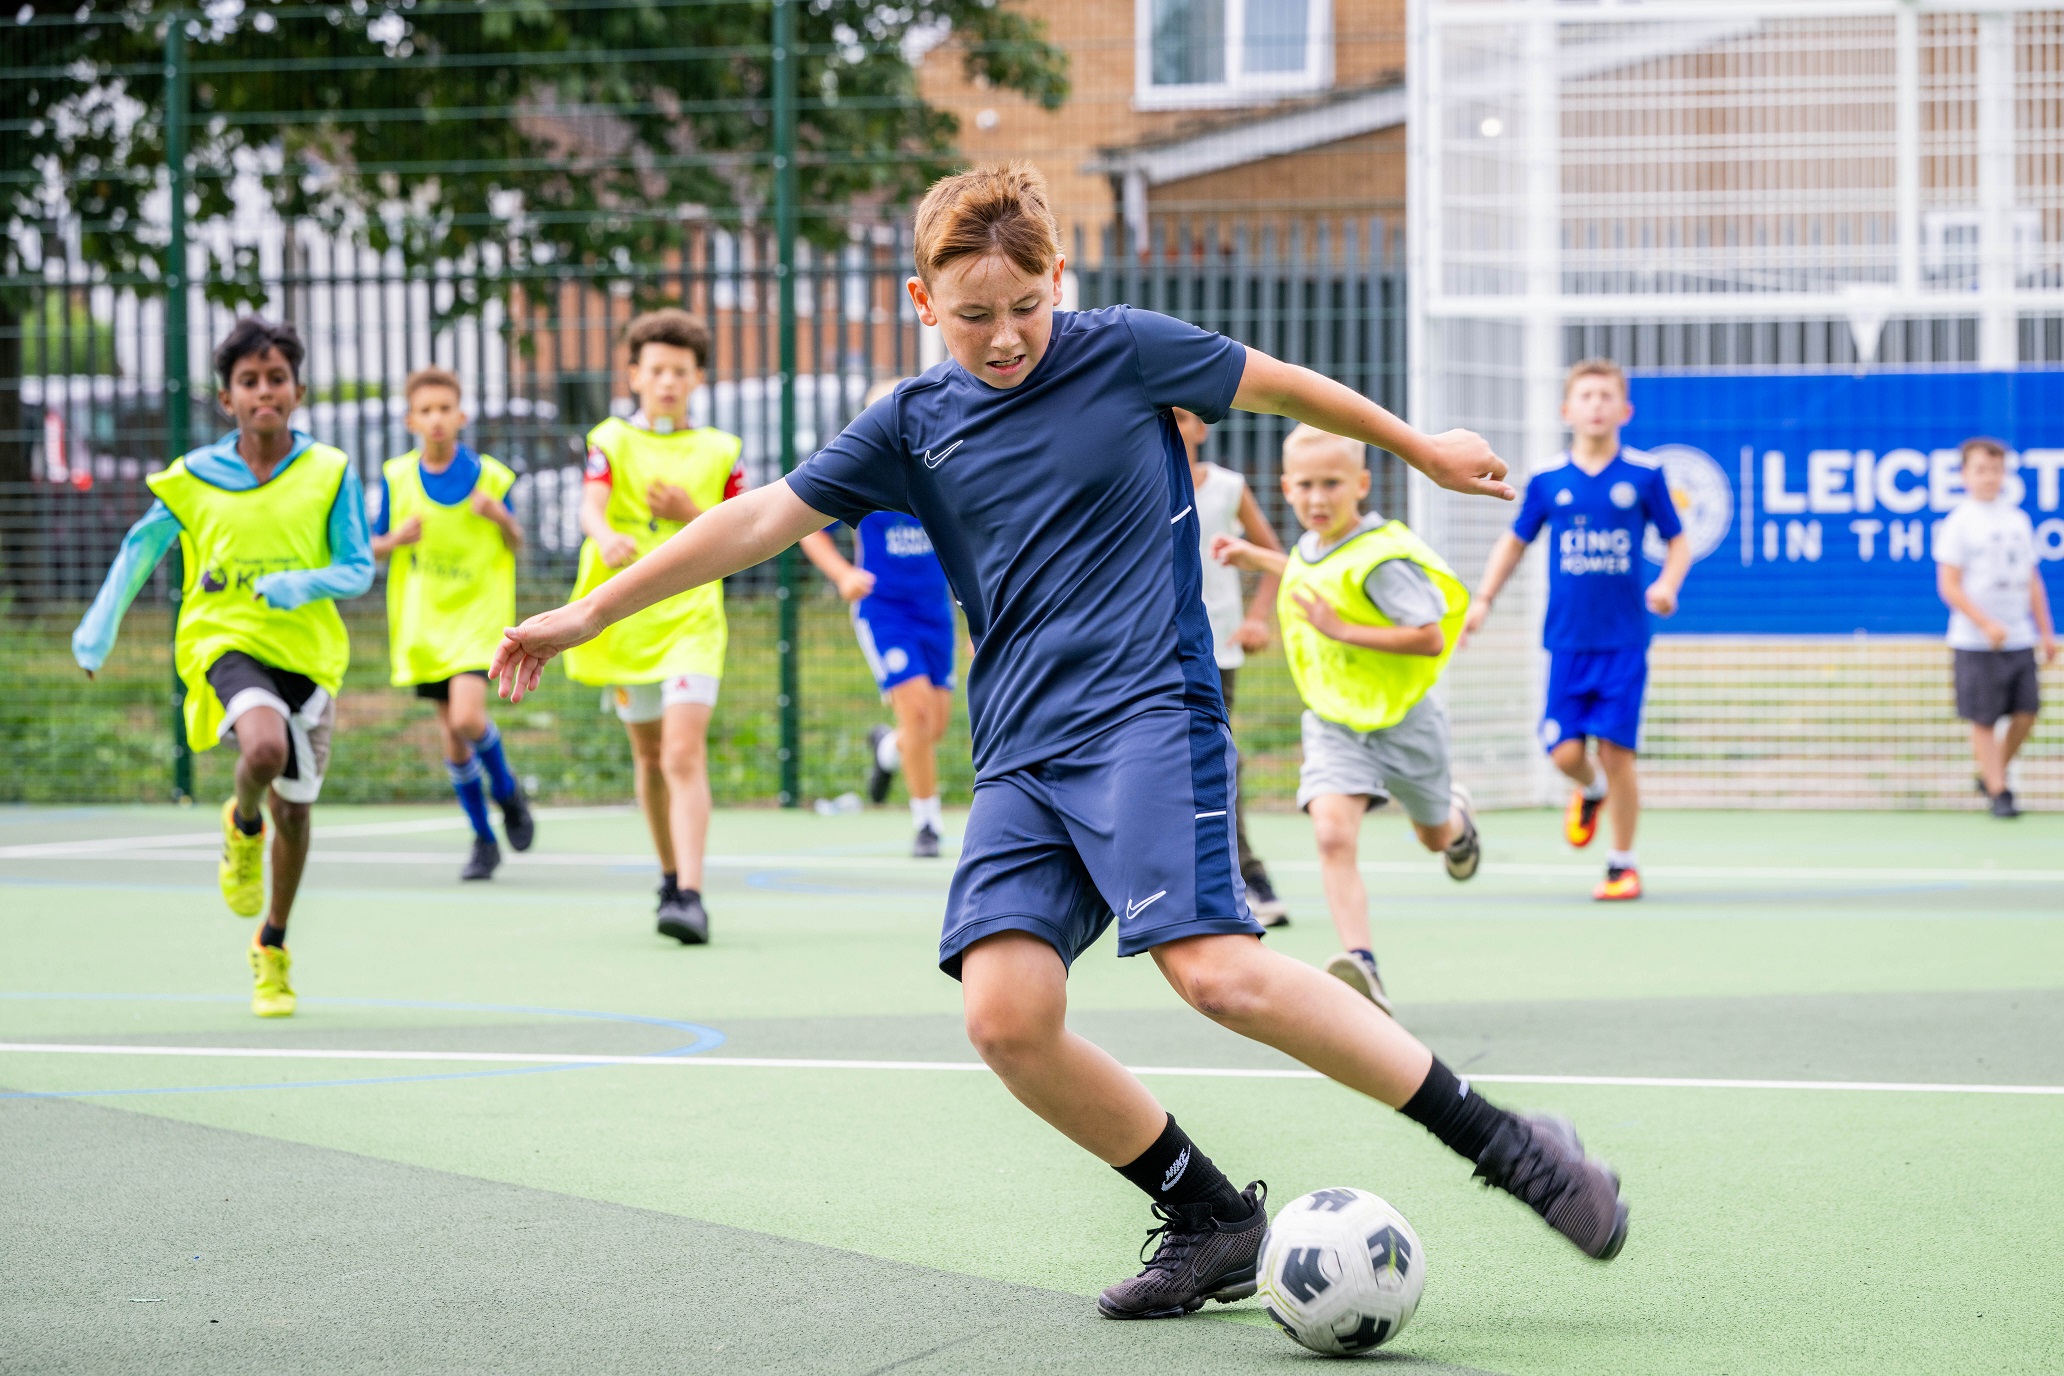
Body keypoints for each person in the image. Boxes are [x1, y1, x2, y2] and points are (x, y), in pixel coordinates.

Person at [493, 163, 1628, 1321]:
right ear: (920, 302)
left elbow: (1285, 388)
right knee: (1006, 1015)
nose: (1004, 337)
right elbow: (758, 516)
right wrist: (589, 610)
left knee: (1218, 972)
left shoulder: (1127, 348)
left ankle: (1510, 1142)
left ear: (1058, 281)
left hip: (1149, 711)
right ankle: (1211, 1215)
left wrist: (1421, 447)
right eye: (973, 315)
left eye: (1025, 307)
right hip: (1024, 751)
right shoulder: (910, 423)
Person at [72, 318, 373, 1018]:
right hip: (224, 641)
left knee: (296, 814)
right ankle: (242, 823)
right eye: (248, 381)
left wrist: (299, 586)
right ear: (226, 395)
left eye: (275, 379)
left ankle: (272, 945)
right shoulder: (196, 477)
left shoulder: (329, 472)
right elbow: (141, 547)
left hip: (309, 657)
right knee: (262, 749)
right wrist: (96, 634)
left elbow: (357, 567)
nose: (263, 391)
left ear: (297, 392)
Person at [1213, 425, 1480, 1013]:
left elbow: (1430, 638)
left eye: (1332, 484)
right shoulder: (1310, 547)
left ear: (1361, 484)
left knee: (1434, 835)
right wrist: (1258, 556)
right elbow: (1313, 572)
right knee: (1332, 833)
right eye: (1305, 485)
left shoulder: (1382, 558)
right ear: (1286, 487)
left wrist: (1342, 631)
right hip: (1334, 722)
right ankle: (1362, 964)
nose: (1317, 498)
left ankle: (1457, 821)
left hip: (1404, 723)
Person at [1463, 358, 1689, 902]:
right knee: (1564, 752)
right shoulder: (1547, 480)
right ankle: (1590, 790)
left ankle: (1622, 863)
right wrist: (1484, 598)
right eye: (1585, 396)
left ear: (1624, 410)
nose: (1596, 405)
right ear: (1567, 410)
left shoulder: (1645, 474)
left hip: (1624, 641)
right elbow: (1514, 542)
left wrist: (1667, 586)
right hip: (1566, 642)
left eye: (1606, 396)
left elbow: (1677, 541)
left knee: (1618, 752)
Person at [562, 309, 745, 945]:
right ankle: (669, 877)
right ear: (634, 375)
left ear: (697, 377)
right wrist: (606, 532)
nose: (667, 381)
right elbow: (591, 502)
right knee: (647, 754)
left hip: (692, 619)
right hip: (626, 618)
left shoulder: (721, 450)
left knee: (681, 752)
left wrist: (690, 511)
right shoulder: (609, 438)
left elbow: (741, 523)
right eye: (656, 369)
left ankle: (691, 896)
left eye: (680, 371)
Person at [371, 367, 536, 880]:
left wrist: (500, 518)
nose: (437, 418)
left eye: (446, 408)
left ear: (461, 415)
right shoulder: (397, 477)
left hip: (477, 618)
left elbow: (517, 543)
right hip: (425, 623)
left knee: (468, 718)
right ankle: (483, 841)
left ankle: (508, 792)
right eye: (426, 410)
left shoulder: (491, 477)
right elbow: (371, 548)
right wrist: (396, 540)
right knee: (452, 739)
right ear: (411, 419)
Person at [800, 378, 958, 858]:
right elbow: (809, 531)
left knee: (931, 728)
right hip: (884, 611)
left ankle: (886, 750)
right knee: (917, 712)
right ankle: (927, 824)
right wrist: (843, 574)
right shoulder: (861, 483)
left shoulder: (945, 477)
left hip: (935, 613)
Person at [1173, 406, 1288, 926]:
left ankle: (1248, 876)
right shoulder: (1129, 485)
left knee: (1215, 758)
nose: (1172, 429)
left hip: (1214, 646)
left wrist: (1259, 618)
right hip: (1145, 648)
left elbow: (1272, 556)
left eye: (1180, 418)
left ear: (1200, 427)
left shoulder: (1225, 487)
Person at [1936, 436, 2057, 818]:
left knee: (2027, 712)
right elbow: (1949, 585)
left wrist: (2046, 631)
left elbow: (2032, 580)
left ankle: (1992, 774)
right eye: (1980, 469)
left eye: (1996, 469)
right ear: (1964, 474)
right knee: (1984, 717)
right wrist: (1985, 623)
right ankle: (1999, 792)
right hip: (1976, 641)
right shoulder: (1959, 522)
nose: (1989, 477)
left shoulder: (2017, 519)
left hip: (2019, 635)